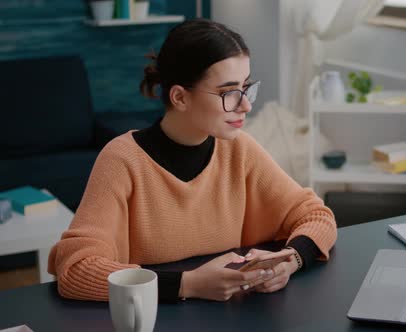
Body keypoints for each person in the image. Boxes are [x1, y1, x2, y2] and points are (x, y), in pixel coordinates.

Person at [48, 18, 337, 303]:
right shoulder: (122, 160)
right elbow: (75, 270)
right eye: (228, 93)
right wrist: (188, 284)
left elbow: (316, 216)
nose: (246, 105)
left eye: (246, 87)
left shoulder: (240, 150)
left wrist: (291, 260)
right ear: (180, 98)